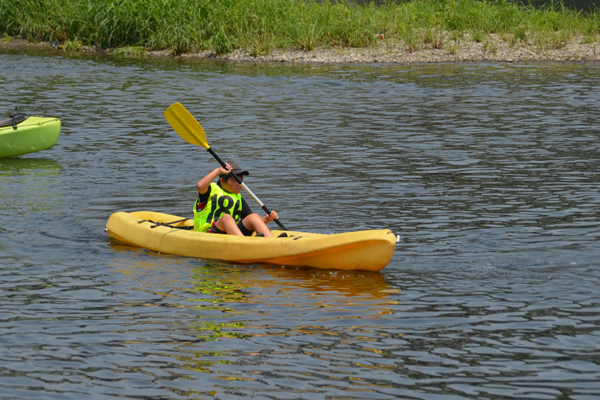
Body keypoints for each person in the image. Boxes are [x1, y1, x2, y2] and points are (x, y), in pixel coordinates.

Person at [193, 160, 279, 237]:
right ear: (222, 181)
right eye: (234, 180)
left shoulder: (238, 198)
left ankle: (271, 242)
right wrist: (218, 171)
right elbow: (200, 186)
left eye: (240, 180)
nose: (239, 184)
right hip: (209, 234)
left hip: (232, 235)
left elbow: (251, 222)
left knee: (253, 216)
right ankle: (243, 245)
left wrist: (268, 219)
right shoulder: (210, 190)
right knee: (226, 218)